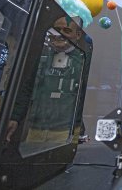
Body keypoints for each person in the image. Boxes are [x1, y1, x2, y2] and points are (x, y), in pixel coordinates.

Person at [6, 16, 84, 145]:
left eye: (67, 30)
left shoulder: (82, 60)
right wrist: (15, 117)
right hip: (35, 129)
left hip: (64, 131)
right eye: (57, 30)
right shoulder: (43, 56)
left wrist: (77, 128)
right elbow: (29, 87)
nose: (60, 34)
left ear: (78, 35)